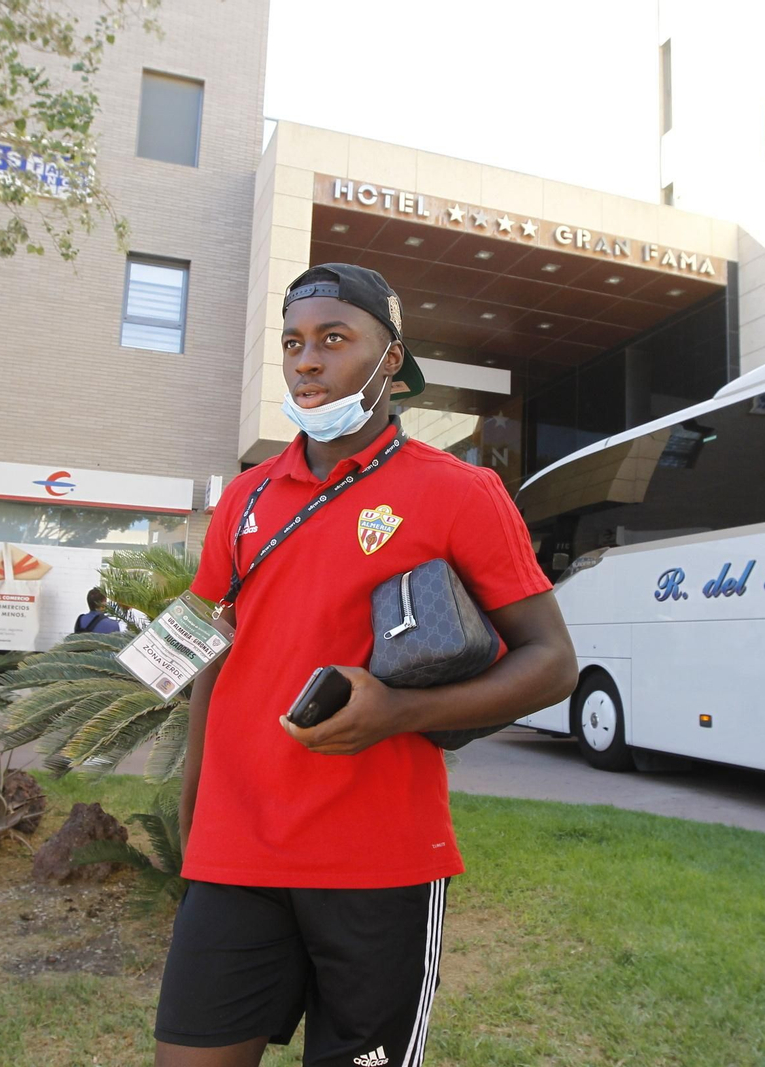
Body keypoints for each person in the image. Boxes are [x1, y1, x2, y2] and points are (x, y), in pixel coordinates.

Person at [154, 264, 578, 1067]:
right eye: (293, 343)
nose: (307, 361)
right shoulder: (244, 499)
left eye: (334, 339)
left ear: (392, 360)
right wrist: (194, 814)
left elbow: (553, 662)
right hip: (235, 853)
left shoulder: (461, 491)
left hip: (378, 862)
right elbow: (208, 651)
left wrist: (398, 711)